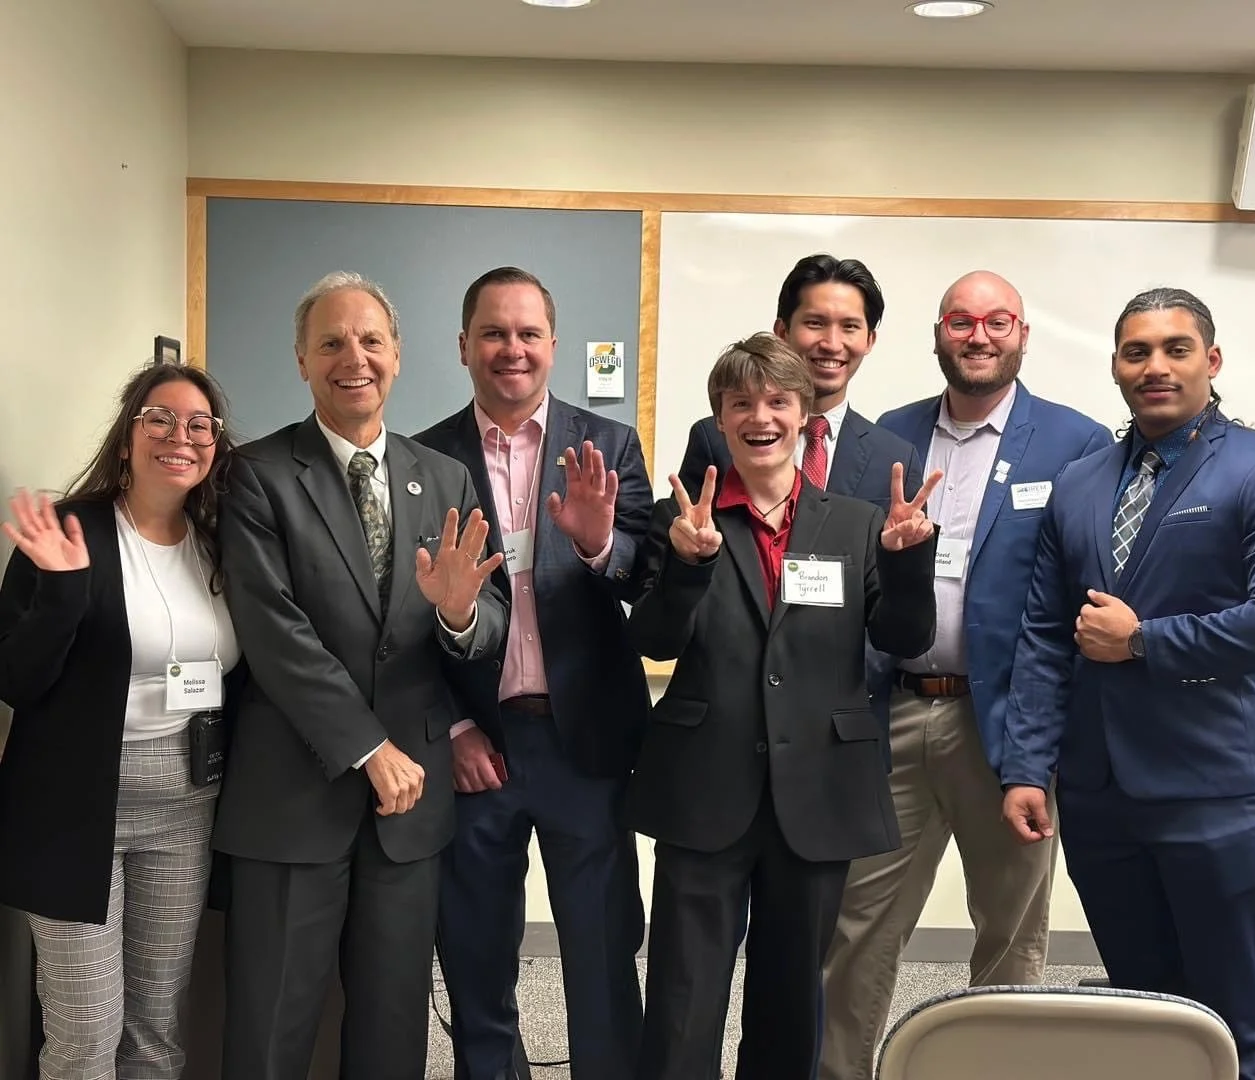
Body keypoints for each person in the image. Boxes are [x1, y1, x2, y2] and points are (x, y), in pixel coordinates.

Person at [213, 271, 508, 1080]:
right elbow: (275, 633)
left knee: (390, 1032)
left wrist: (455, 615)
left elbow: (488, 625)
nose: (355, 358)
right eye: (332, 343)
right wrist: (366, 745)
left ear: (399, 356)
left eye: (371, 340)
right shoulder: (254, 474)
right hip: (293, 797)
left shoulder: (441, 476)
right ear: (302, 360)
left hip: (410, 812)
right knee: (272, 1030)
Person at [819, 270, 1112, 1079]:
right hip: (894, 712)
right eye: (959, 321)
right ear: (936, 332)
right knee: (857, 928)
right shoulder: (887, 436)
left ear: (1022, 333)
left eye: (996, 322)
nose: (977, 336)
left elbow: (1073, 602)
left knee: (1011, 933)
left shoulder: (1076, 444)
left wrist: (1042, 744)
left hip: (1010, 730)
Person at [628, 333, 940, 1080]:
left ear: (804, 415)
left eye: (777, 401)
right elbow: (656, 640)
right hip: (704, 784)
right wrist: (685, 567)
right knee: (683, 991)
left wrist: (906, 564)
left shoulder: (856, 524)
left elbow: (903, 636)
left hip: (818, 792)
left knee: (791, 991)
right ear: (720, 419)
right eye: (741, 403)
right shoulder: (687, 519)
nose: (759, 417)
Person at [1001, 287, 1255, 1080]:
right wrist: (1027, 765)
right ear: (1116, 367)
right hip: (1100, 798)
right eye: (1136, 352)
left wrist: (1143, 642)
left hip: (1217, 792)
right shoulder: (1082, 481)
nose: (1154, 366)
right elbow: (1043, 634)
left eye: (1175, 348)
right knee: (1139, 1015)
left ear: (1211, 361)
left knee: (1236, 1016)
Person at [415, 266, 653, 1080]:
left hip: (582, 741)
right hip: (477, 745)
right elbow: (404, 622)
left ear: (552, 346)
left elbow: (644, 578)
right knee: (477, 952)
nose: (509, 349)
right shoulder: (424, 457)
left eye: (525, 334)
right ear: (462, 347)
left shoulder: (608, 444)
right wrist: (449, 727)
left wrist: (596, 544)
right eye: (491, 333)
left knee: (600, 950)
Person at [0, 362, 242, 1080]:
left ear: (215, 444)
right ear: (128, 434)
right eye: (159, 419)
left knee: (156, 1026)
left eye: (199, 424)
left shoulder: (221, 537)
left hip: (186, 808)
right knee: (85, 1032)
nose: (180, 437)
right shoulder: (72, 529)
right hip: (77, 812)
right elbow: (16, 679)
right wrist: (65, 595)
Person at [677, 253, 922, 509]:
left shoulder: (894, 457)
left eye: (849, 327)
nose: (832, 344)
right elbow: (678, 532)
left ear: (869, 340)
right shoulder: (716, 437)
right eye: (815, 323)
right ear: (782, 332)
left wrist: (905, 548)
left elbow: (907, 543)